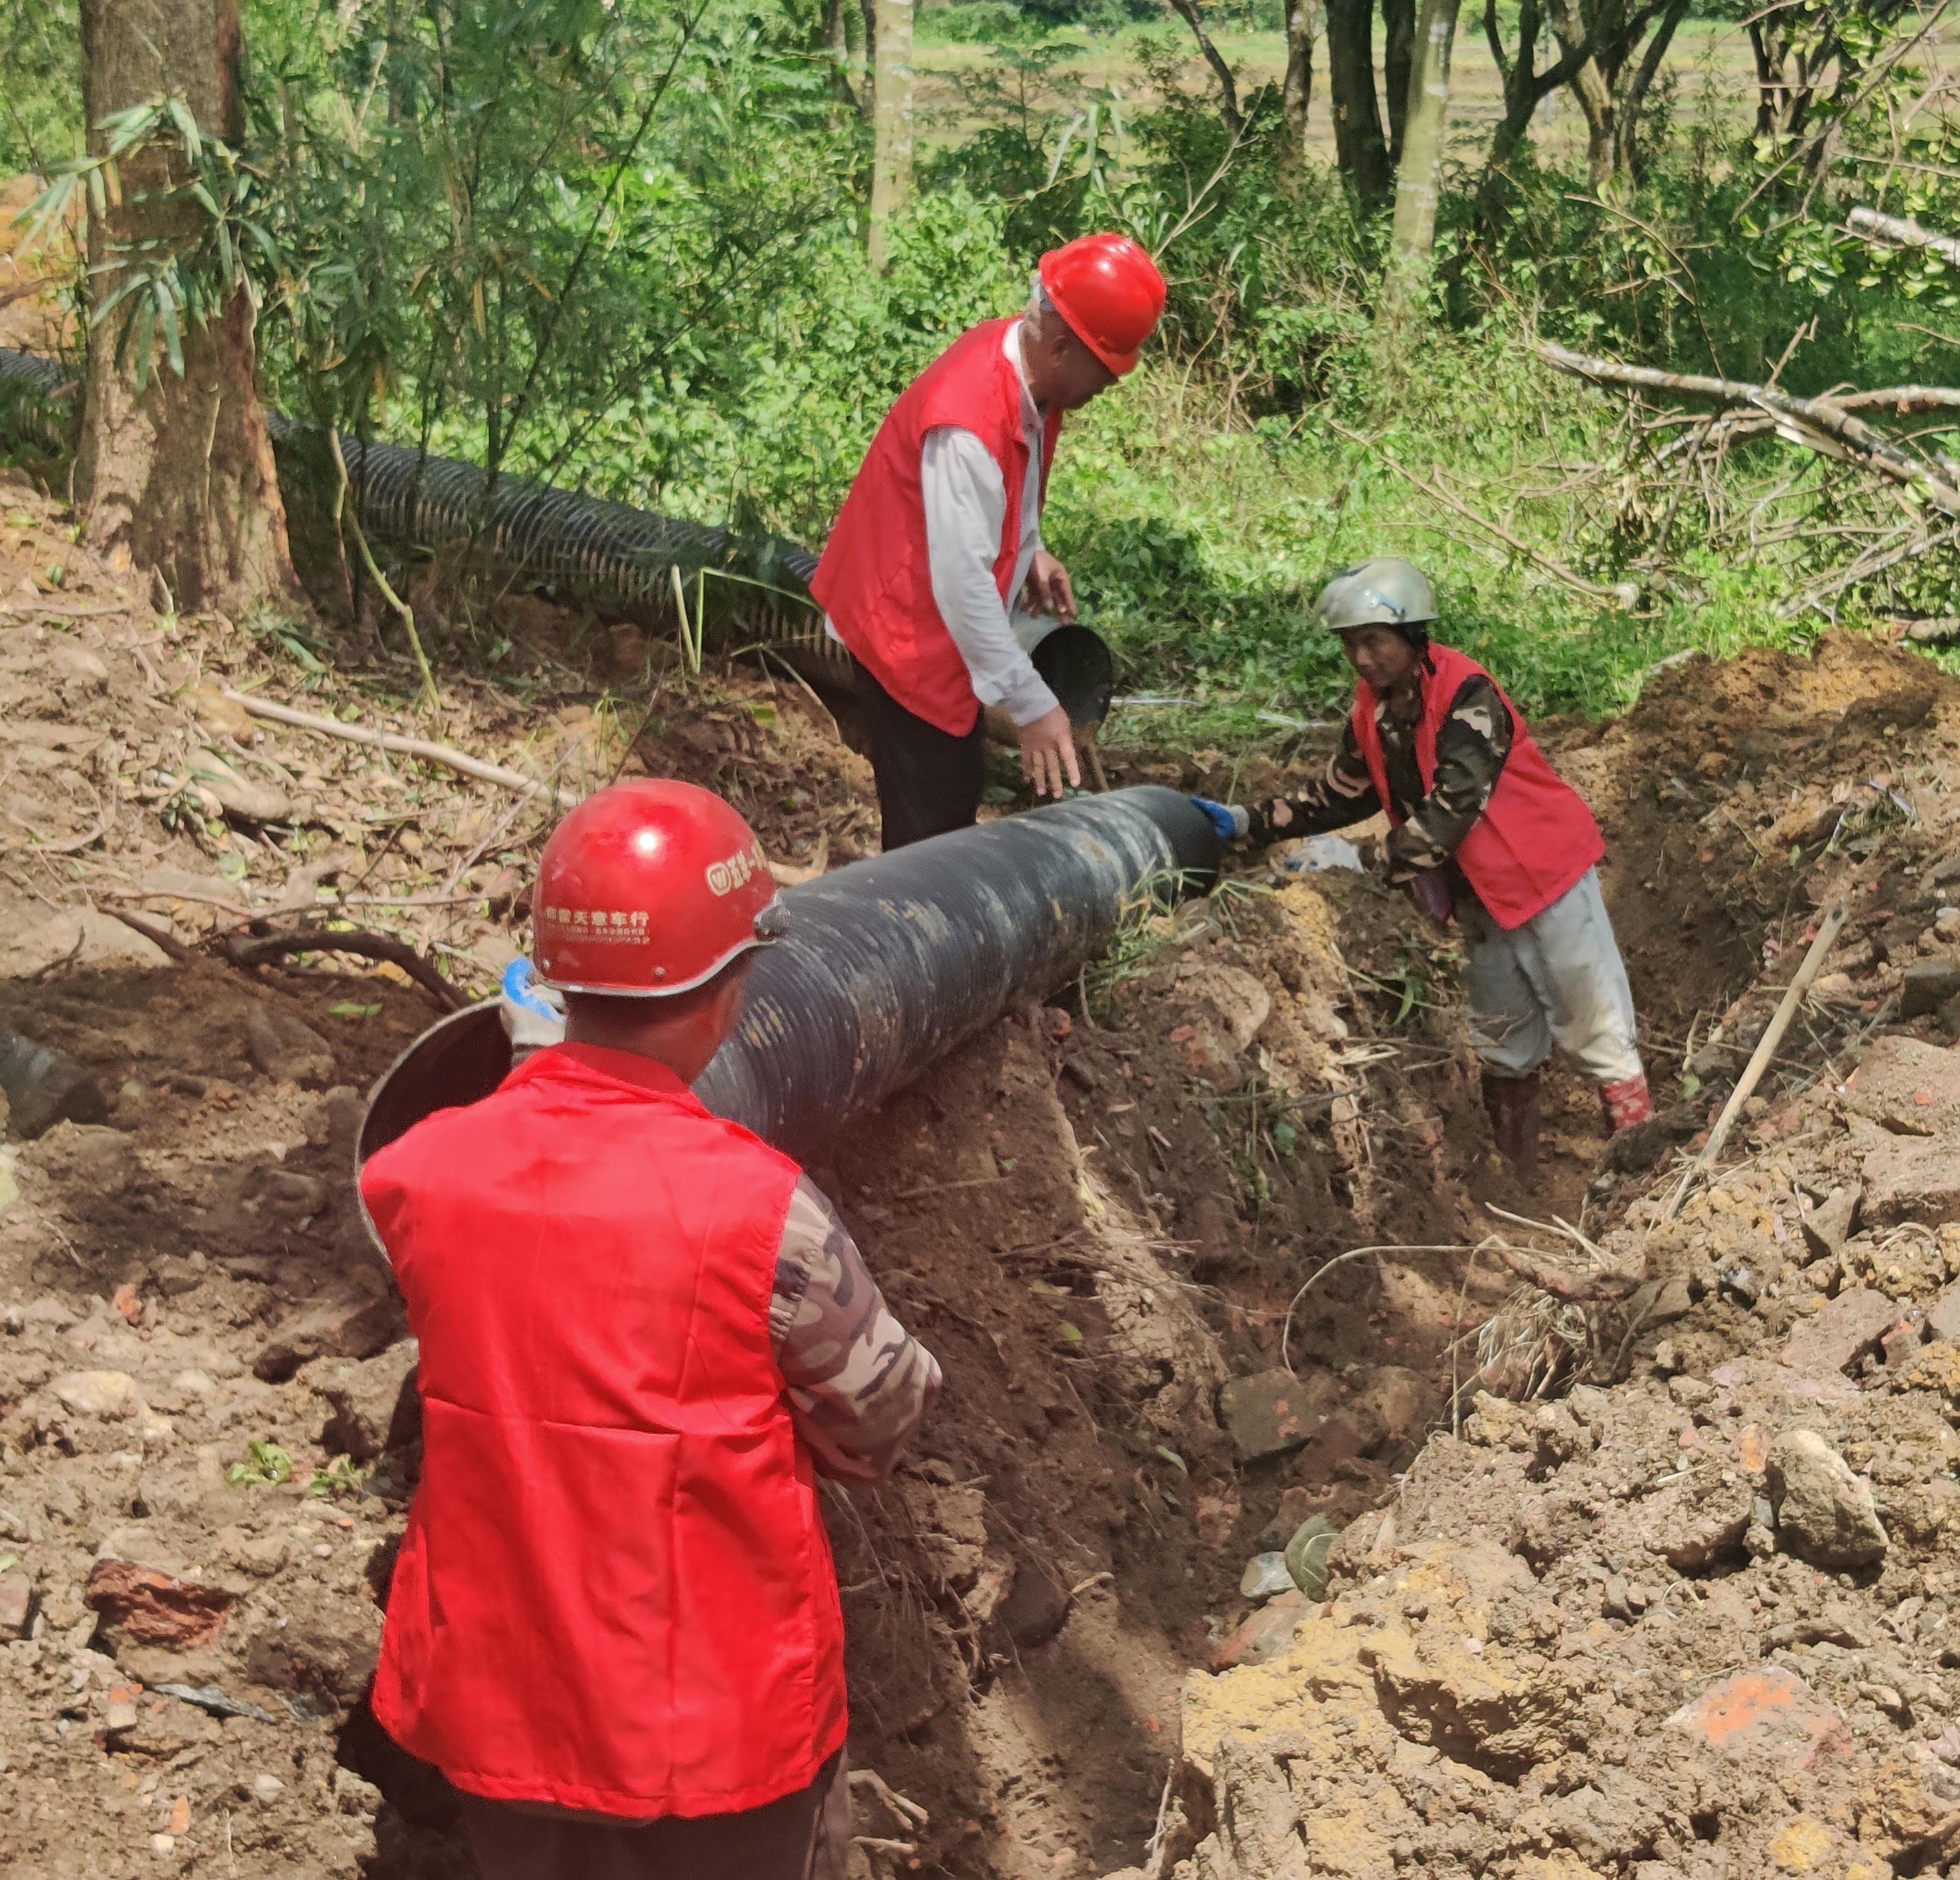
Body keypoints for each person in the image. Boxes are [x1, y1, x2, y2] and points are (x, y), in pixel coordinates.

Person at [358, 779, 941, 1880]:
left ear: (554, 981)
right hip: (714, 1739)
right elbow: (884, 1412)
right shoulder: (767, 1212)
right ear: (728, 993)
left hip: (499, 1719)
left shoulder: (419, 1173)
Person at [1206, 558, 1650, 1178]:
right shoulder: (1373, 710)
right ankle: (1518, 1183)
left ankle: (1640, 1178)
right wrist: (1250, 820)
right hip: (1479, 897)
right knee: (1502, 1040)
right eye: (1349, 646)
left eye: (1373, 642)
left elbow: (1453, 809)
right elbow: (1340, 793)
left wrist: (1360, 859)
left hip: (1544, 878)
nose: (1361, 660)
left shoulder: (1467, 695)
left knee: (1595, 1028)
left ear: (1413, 635)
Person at [808, 233, 1167, 849]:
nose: (1106, 391)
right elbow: (962, 585)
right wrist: (1031, 705)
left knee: (951, 789)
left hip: (935, 612)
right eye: (1104, 375)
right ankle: (907, 932)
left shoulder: (1027, 365)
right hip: (903, 631)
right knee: (933, 819)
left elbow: (1015, 475)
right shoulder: (966, 424)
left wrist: (1029, 547)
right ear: (1060, 346)